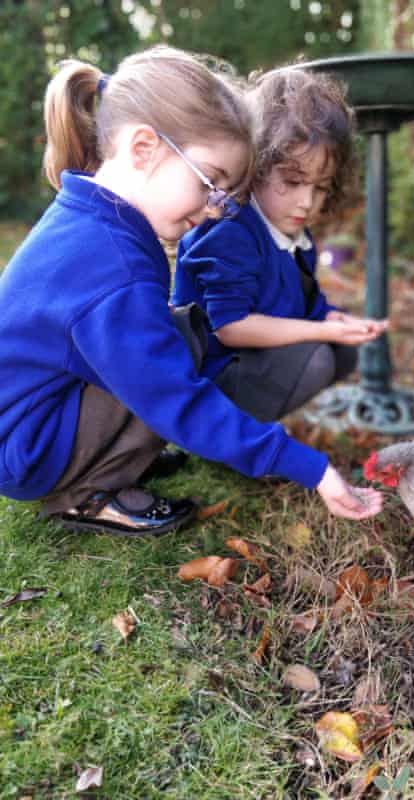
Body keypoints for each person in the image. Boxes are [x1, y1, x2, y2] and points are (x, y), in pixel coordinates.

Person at [0, 46, 383, 538]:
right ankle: (88, 495)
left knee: (176, 335)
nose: (210, 210)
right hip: (26, 451)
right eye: (210, 183)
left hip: (30, 426)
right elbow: (173, 395)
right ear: (144, 148)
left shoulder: (92, 217)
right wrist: (307, 466)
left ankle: (106, 463)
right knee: (177, 347)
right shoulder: (115, 267)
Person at [172, 68, 388, 422]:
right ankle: (229, 434)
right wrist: (320, 330)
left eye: (320, 187)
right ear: (255, 167)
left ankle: (255, 423)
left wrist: (333, 320)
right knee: (316, 356)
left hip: (246, 363)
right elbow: (230, 326)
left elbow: (302, 305)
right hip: (206, 379)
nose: (307, 201)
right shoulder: (230, 232)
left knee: (342, 350)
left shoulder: (296, 238)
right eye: (293, 181)